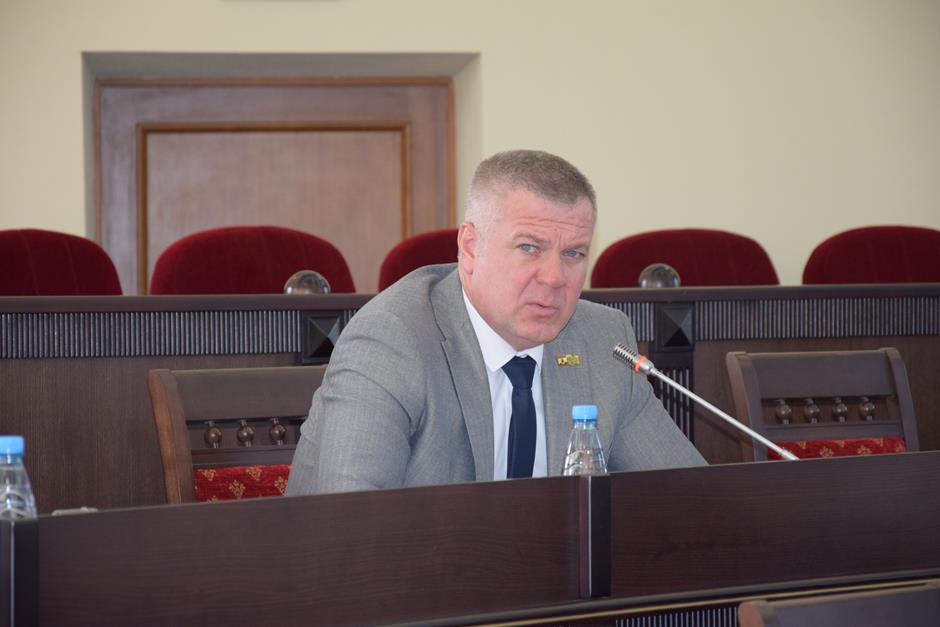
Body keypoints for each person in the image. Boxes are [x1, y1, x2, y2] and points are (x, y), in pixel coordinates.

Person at [286, 149, 705, 495]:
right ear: (471, 247)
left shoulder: (603, 340)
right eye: (529, 247)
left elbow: (691, 499)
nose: (555, 277)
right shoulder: (392, 340)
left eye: (573, 253)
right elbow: (349, 523)